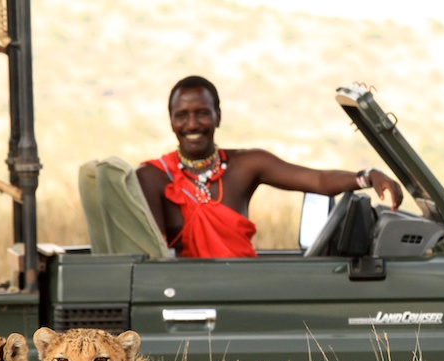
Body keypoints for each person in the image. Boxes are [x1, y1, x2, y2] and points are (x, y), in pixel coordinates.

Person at [136, 75, 405, 258]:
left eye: (202, 113)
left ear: (218, 115)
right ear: (170, 121)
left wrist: (368, 176)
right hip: (183, 299)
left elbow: (317, 181)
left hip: (243, 289)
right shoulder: (152, 177)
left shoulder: (246, 165)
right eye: (182, 115)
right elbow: (155, 259)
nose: (192, 124)